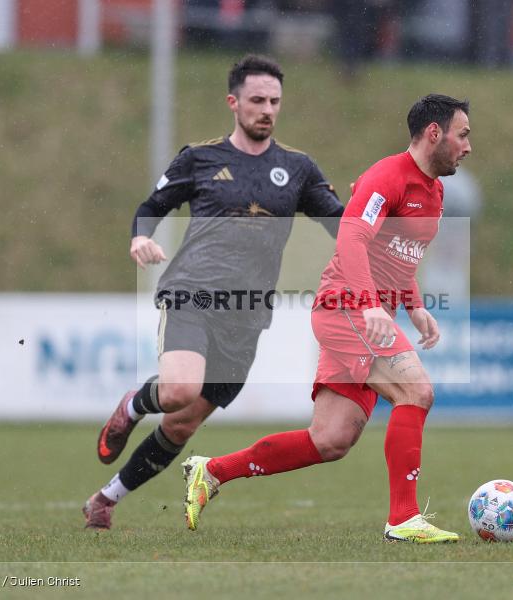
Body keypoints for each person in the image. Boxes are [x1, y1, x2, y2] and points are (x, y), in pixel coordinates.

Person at [181, 93, 472, 543]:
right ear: (435, 133)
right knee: (416, 391)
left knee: (331, 438)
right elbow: (351, 239)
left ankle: (213, 471)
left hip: (366, 313)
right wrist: (370, 304)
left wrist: (414, 305)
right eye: (462, 134)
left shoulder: (434, 191)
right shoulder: (386, 177)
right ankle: (403, 518)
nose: (467, 146)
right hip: (347, 308)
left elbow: (398, 255)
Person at [83, 55, 345, 529]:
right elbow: (152, 205)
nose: (267, 109)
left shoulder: (298, 168)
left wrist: (376, 219)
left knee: (181, 423)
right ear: (233, 102)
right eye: (257, 100)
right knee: (179, 389)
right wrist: (140, 238)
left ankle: (106, 499)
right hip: (192, 293)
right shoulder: (199, 158)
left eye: (275, 101)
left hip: (247, 315)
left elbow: (338, 223)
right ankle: (132, 405)